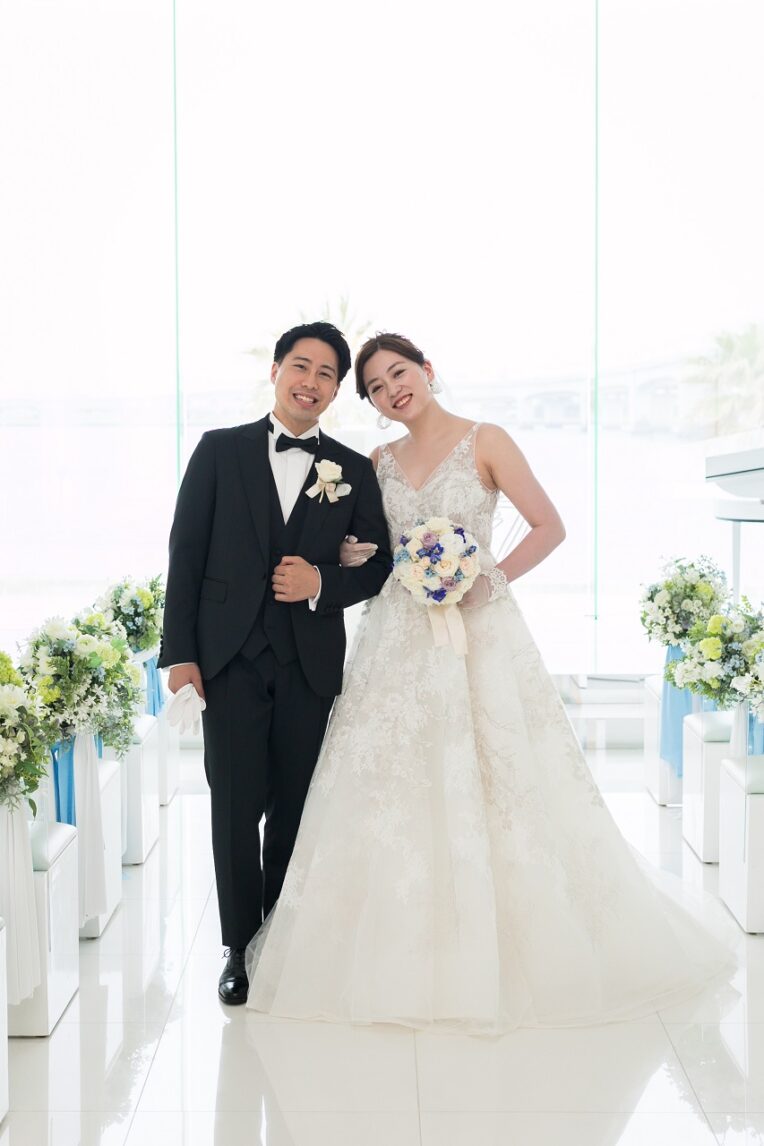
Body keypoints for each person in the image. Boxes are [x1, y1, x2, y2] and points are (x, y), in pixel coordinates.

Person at [245, 332, 735, 1034]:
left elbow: (549, 526)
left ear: (426, 369)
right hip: (398, 637)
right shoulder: (377, 462)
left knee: (499, 774)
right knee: (392, 778)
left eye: (399, 373)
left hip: (479, 632)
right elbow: (376, 552)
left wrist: (488, 577)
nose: (392, 391)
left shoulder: (486, 440)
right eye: (377, 387)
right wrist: (355, 554)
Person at [158, 321, 392, 1004]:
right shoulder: (219, 450)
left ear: (337, 391)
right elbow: (184, 555)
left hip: (307, 664)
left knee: (294, 807)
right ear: (276, 370)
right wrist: (180, 655)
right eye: (301, 366)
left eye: (326, 374)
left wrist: (321, 582)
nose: (310, 382)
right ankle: (237, 946)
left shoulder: (351, 470)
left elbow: (378, 564)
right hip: (227, 660)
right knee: (234, 808)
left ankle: (278, 942)